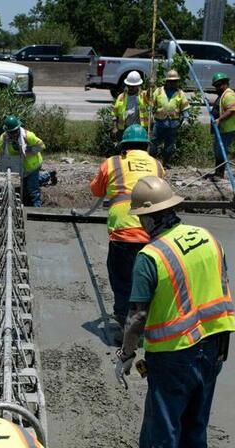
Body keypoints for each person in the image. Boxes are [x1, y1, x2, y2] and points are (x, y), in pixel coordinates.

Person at [114, 176, 235, 448]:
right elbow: (220, 287)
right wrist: (222, 339)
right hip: (214, 342)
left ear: (150, 217)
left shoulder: (150, 256)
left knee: (162, 422)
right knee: (197, 414)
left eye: (141, 217)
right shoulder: (208, 237)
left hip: (174, 352)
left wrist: (126, 353)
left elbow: (136, 316)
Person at [89, 125, 165, 342]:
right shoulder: (157, 165)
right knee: (149, 280)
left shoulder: (112, 163)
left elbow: (95, 191)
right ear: (146, 146)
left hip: (123, 231)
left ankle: (125, 327)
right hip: (152, 231)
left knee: (122, 280)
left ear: (123, 146)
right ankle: (150, 325)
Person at [0, 115, 56, 207]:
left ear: (18, 129)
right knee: (26, 187)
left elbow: (42, 145)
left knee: (32, 189)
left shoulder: (27, 135)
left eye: (15, 132)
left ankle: (37, 207)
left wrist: (28, 151)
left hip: (33, 165)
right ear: (7, 131)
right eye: (11, 133)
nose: (13, 135)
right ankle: (49, 175)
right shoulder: (4, 137)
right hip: (21, 167)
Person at [149, 70, 191, 165]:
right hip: (159, 122)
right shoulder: (158, 91)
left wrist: (186, 119)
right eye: (171, 81)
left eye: (175, 81)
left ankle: (166, 162)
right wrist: (150, 114)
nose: (173, 83)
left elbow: (184, 107)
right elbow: (151, 104)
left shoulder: (180, 93)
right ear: (166, 81)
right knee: (153, 142)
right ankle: (152, 162)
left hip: (173, 123)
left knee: (170, 145)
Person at [209, 72, 235, 179]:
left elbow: (231, 110)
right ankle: (218, 172)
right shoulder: (223, 95)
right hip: (223, 129)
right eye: (215, 86)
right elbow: (220, 105)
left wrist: (219, 119)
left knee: (220, 150)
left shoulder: (228, 95)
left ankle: (219, 174)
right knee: (218, 149)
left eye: (219, 85)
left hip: (229, 128)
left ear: (225, 84)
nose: (217, 88)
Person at [112, 71, 150, 142]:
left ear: (138, 85)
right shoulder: (121, 97)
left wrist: (151, 85)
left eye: (133, 86)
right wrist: (115, 127)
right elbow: (114, 114)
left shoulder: (143, 95)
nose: (130, 88)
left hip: (139, 129)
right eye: (129, 86)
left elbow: (150, 94)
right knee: (124, 149)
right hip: (124, 128)